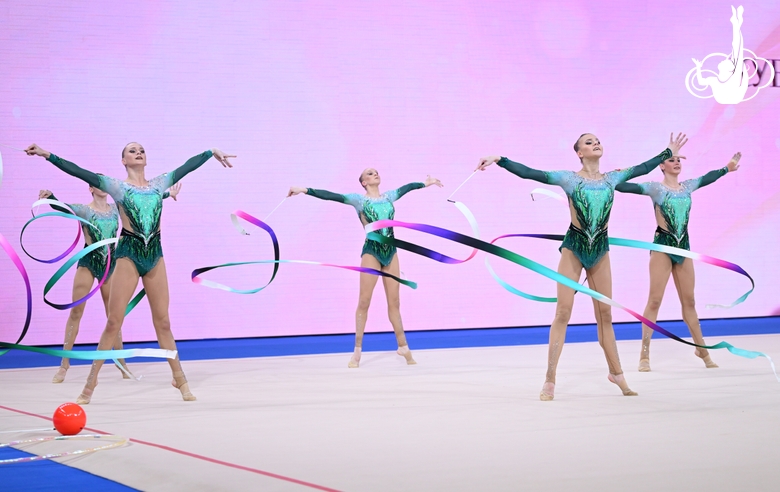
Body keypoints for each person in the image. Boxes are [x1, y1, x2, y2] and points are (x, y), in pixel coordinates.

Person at [477, 132, 688, 400]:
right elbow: (530, 173)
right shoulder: (569, 179)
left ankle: (617, 373)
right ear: (579, 152)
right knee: (563, 312)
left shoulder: (612, 178)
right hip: (574, 248)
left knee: (605, 315)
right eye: (589, 142)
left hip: (600, 251)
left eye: (597, 140)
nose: (595, 143)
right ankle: (550, 379)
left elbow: (644, 167)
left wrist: (667, 152)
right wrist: (499, 159)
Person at [26, 142, 235, 404]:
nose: (138, 153)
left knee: (163, 322)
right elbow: (79, 172)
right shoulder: (117, 187)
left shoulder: (159, 184)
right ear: (123, 160)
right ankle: (91, 383)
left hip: (154, 255)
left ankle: (179, 378)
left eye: (142, 150)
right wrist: (47, 155)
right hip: (128, 256)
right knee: (114, 321)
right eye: (132, 151)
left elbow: (186, 167)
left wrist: (210, 152)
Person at [287, 169, 442, 368]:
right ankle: (357, 351)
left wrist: (425, 183)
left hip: (391, 251)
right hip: (371, 251)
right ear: (363, 182)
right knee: (364, 301)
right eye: (370, 173)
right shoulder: (358, 200)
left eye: (376, 172)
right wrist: (304, 190)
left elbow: (407, 188)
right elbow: (331, 196)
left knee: (394, 302)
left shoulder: (389, 197)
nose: (375, 174)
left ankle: (403, 346)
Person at [39, 182, 181, 383]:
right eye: (97, 184)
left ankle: (121, 363)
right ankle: (64, 365)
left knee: (114, 317)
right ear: (91, 189)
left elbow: (142, 202)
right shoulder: (85, 210)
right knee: (76, 312)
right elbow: (63, 207)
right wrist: (51, 197)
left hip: (110, 265)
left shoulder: (116, 209)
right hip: (89, 263)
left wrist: (167, 194)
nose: (102, 186)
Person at [615, 152, 741, 371]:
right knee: (655, 300)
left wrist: (726, 168)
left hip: (683, 248)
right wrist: (622, 175)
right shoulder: (656, 188)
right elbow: (621, 187)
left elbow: (707, 178)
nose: (676, 163)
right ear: (661, 166)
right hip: (662, 248)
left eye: (678, 160)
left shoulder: (687, 187)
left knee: (689, 302)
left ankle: (702, 349)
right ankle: (644, 354)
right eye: (671, 160)